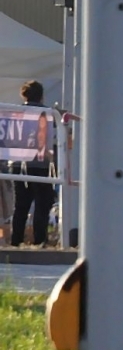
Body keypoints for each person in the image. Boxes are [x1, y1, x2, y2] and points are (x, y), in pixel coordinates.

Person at [9, 80, 55, 247]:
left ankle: (16, 241)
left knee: (21, 205)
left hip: (17, 163)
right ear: (41, 96)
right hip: (40, 163)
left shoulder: (15, 113)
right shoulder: (48, 114)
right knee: (42, 204)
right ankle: (40, 240)